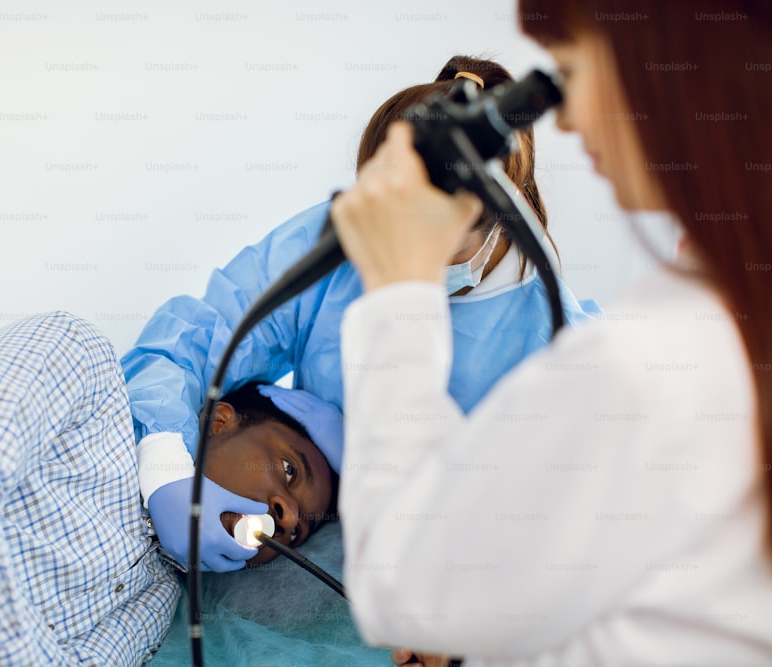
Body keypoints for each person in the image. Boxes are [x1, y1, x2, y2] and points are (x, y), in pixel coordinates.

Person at [329, 1, 772, 664]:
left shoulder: (649, 361)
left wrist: (399, 289)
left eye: (569, 70)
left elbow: (406, 582)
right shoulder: (718, 316)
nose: (565, 117)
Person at [121, 54, 600, 574]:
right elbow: (194, 341)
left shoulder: (562, 348)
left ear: (490, 217)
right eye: (382, 216)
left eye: (422, 235)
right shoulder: (342, 239)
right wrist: (166, 466)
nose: (387, 248)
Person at [0, 312, 339, 665]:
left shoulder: (156, 602)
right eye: (289, 471)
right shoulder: (82, 367)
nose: (289, 518)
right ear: (220, 419)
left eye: (304, 525)